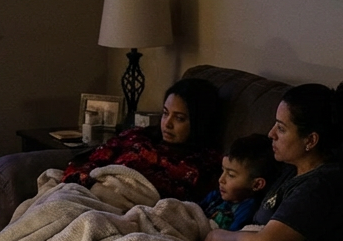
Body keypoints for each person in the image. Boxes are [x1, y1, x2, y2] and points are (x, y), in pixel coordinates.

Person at [203, 81, 343, 241]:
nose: (271, 134)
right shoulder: (289, 169)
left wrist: (216, 237)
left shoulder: (320, 185)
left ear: (310, 140)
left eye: (281, 128)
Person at [61, 77, 223, 202]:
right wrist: (85, 182)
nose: (167, 124)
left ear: (199, 123)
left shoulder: (204, 164)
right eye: (165, 113)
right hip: (90, 190)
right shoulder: (139, 136)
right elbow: (92, 159)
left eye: (179, 118)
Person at [201, 133, 278, 231]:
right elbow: (193, 212)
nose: (221, 179)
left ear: (257, 184)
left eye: (231, 175)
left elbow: (231, 237)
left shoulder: (247, 209)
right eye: (223, 170)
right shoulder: (216, 196)